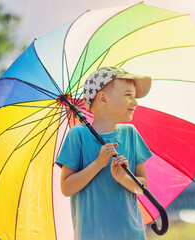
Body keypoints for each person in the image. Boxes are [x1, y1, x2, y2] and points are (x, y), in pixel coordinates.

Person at [56, 66, 153, 240]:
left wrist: (123, 178)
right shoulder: (78, 136)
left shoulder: (131, 134)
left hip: (130, 234)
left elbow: (143, 185)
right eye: (128, 95)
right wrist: (98, 164)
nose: (135, 102)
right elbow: (67, 187)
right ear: (103, 98)